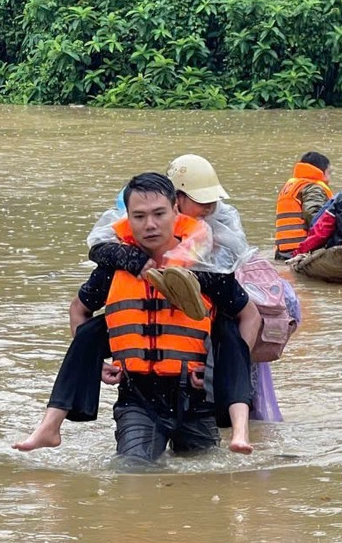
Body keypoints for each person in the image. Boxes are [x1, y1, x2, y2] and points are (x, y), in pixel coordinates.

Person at [15, 172, 261, 461]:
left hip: (196, 398)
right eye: (140, 216)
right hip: (138, 397)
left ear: (175, 211)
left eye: (159, 214)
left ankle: (240, 429)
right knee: (132, 473)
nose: (150, 225)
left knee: (205, 484)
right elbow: (78, 310)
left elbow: (250, 316)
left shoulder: (205, 267)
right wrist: (97, 364)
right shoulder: (114, 267)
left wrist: (212, 371)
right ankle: (50, 426)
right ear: (127, 219)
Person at [274, 151, 333, 260]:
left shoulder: (292, 186)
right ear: (321, 171)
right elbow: (314, 216)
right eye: (329, 173)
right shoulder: (312, 187)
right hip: (300, 250)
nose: (329, 179)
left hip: (282, 251)